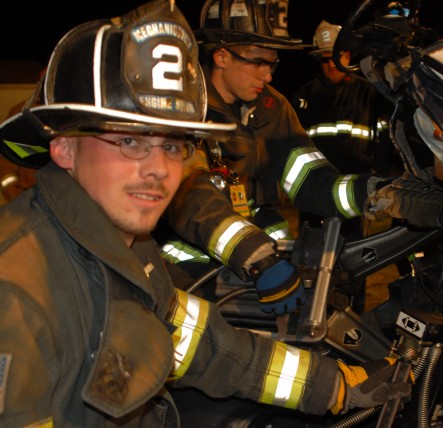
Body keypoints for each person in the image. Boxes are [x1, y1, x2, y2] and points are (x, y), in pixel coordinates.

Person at [0, 1, 413, 426]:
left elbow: (205, 347)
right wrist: (255, 254)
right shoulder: (15, 290)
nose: (159, 168)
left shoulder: (129, 254)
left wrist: (335, 386)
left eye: (173, 145)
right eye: (130, 141)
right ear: (63, 147)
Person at [290, 20, 396, 240]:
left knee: (353, 255)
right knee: (312, 254)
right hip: (315, 190)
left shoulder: (369, 92)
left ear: (348, 55)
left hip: (355, 189)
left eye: (339, 56)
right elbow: (293, 145)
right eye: (326, 59)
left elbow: (384, 135)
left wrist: (380, 175)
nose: (332, 64)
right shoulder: (305, 96)